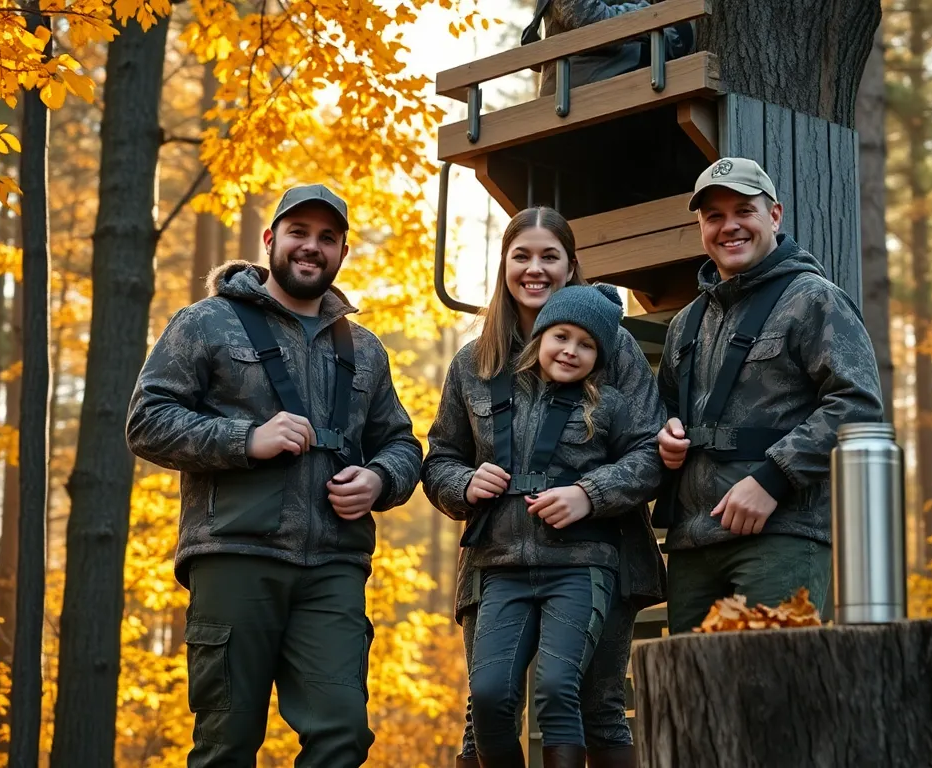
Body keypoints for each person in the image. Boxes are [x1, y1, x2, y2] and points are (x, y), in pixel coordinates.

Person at [125, 183, 423, 767]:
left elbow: (402, 444)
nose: (312, 247)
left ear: (341, 253)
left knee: (342, 735)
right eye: (299, 233)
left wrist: (379, 480)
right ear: (270, 241)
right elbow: (147, 421)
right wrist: (247, 439)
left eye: (327, 238)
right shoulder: (205, 322)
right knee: (227, 745)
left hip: (334, 566)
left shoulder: (365, 349)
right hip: (235, 554)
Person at [422, 207, 667, 768]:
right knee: (483, 708)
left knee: (594, 701)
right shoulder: (473, 363)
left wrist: (591, 493)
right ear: (504, 264)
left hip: (595, 558)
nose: (535, 269)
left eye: (549, 256)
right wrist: (464, 482)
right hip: (495, 559)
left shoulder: (614, 349)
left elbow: (651, 449)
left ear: (571, 265)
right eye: (521, 256)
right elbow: (440, 457)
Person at [653, 157, 886, 634]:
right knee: (692, 701)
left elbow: (857, 406)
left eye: (744, 210)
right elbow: (664, 411)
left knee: (774, 696)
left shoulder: (814, 299)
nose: (729, 226)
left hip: (780, 535)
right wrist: (667, 434)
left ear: (774, 215)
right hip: (693, 545)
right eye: (714, 216)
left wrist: (773, 479)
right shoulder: (685, 323)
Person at [520, 0, 695, 97]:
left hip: (599, 74)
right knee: (679, 33)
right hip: (577, 84)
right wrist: (649, 13)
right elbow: (591, 20)